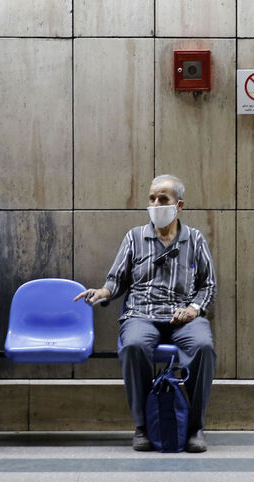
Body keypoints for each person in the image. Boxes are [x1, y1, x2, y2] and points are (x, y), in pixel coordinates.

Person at [76, 174, 217, 453]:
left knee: (203, 348)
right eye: (152, 198)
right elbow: (116, 280)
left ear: (179, 205)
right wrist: (102, 292)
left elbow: (208, 285)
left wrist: (193, 309)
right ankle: (142, 426)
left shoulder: (195, 240)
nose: (155, 204)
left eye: (162, 199)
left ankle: (195, 428)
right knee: (133, 346)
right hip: (142, 314)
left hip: (184, 316)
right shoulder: (135, 237)